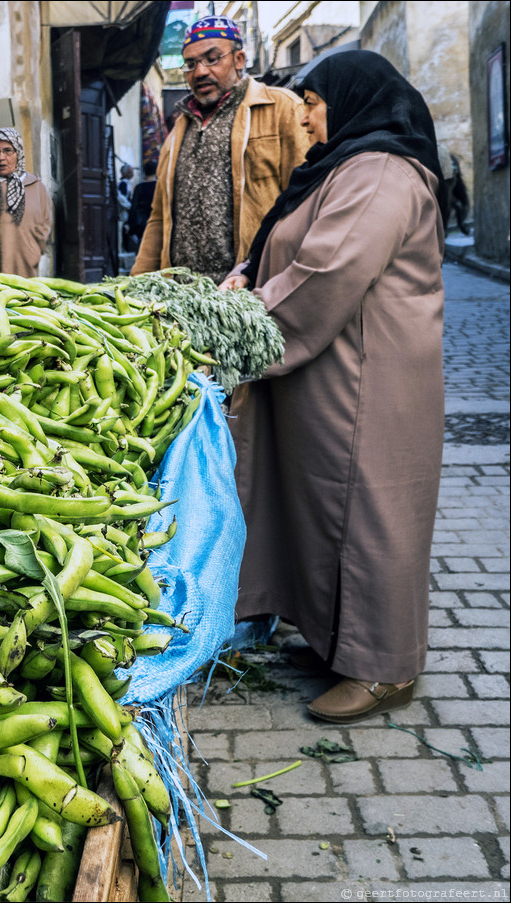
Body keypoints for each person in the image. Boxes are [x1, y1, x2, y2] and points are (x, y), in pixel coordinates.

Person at [221, 50, 446, 724]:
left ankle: (382, 666)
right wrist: (244, 275)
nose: (305, 118)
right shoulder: (344, 167)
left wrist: (237, 326)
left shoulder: (378, 172)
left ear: (351, 101)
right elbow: (290, 241)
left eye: (313, 105)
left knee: (366, 516)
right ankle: (334, 641)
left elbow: (327, 271)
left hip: (366, 383)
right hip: (334, 376)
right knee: (323, 509)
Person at [131, 15, 311, 285]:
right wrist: (137, 284)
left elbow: (306, 203)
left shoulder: (283, 109)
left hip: (252, 292)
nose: (200, 71)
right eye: (190, 64)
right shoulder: (177, 132)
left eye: (212, 59)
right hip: (184, 301)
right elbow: (159, 219)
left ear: (239, 60)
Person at [0, 128, 52, 276]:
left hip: (25, 265)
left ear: (18, 153)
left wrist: (34, 250)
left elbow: (45, 223)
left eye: (8, 151)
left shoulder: (36, 186)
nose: (1, 157)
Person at [125, 160, 158, 251]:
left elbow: (133, 208)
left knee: (143, 250)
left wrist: (130, 226)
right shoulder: (160, 186)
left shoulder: (139, 187)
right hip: (158, 222)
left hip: (142, 224)